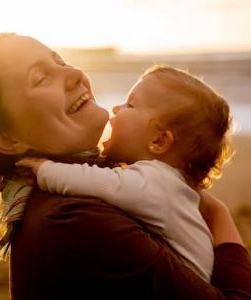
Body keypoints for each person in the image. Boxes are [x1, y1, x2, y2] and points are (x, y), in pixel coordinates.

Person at [0, 33, 251, 299]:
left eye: (60, 60)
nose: (73, 75)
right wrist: (217, 214)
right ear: (7, 139)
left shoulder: (71, 193)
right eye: (41, 78)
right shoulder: (74, 219)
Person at [14, 65, 233, 282]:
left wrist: (43, 169)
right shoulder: (169, 186)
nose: (116, 109)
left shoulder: (156, 182)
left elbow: (96, 182)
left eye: (130, 104)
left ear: (158, 141)